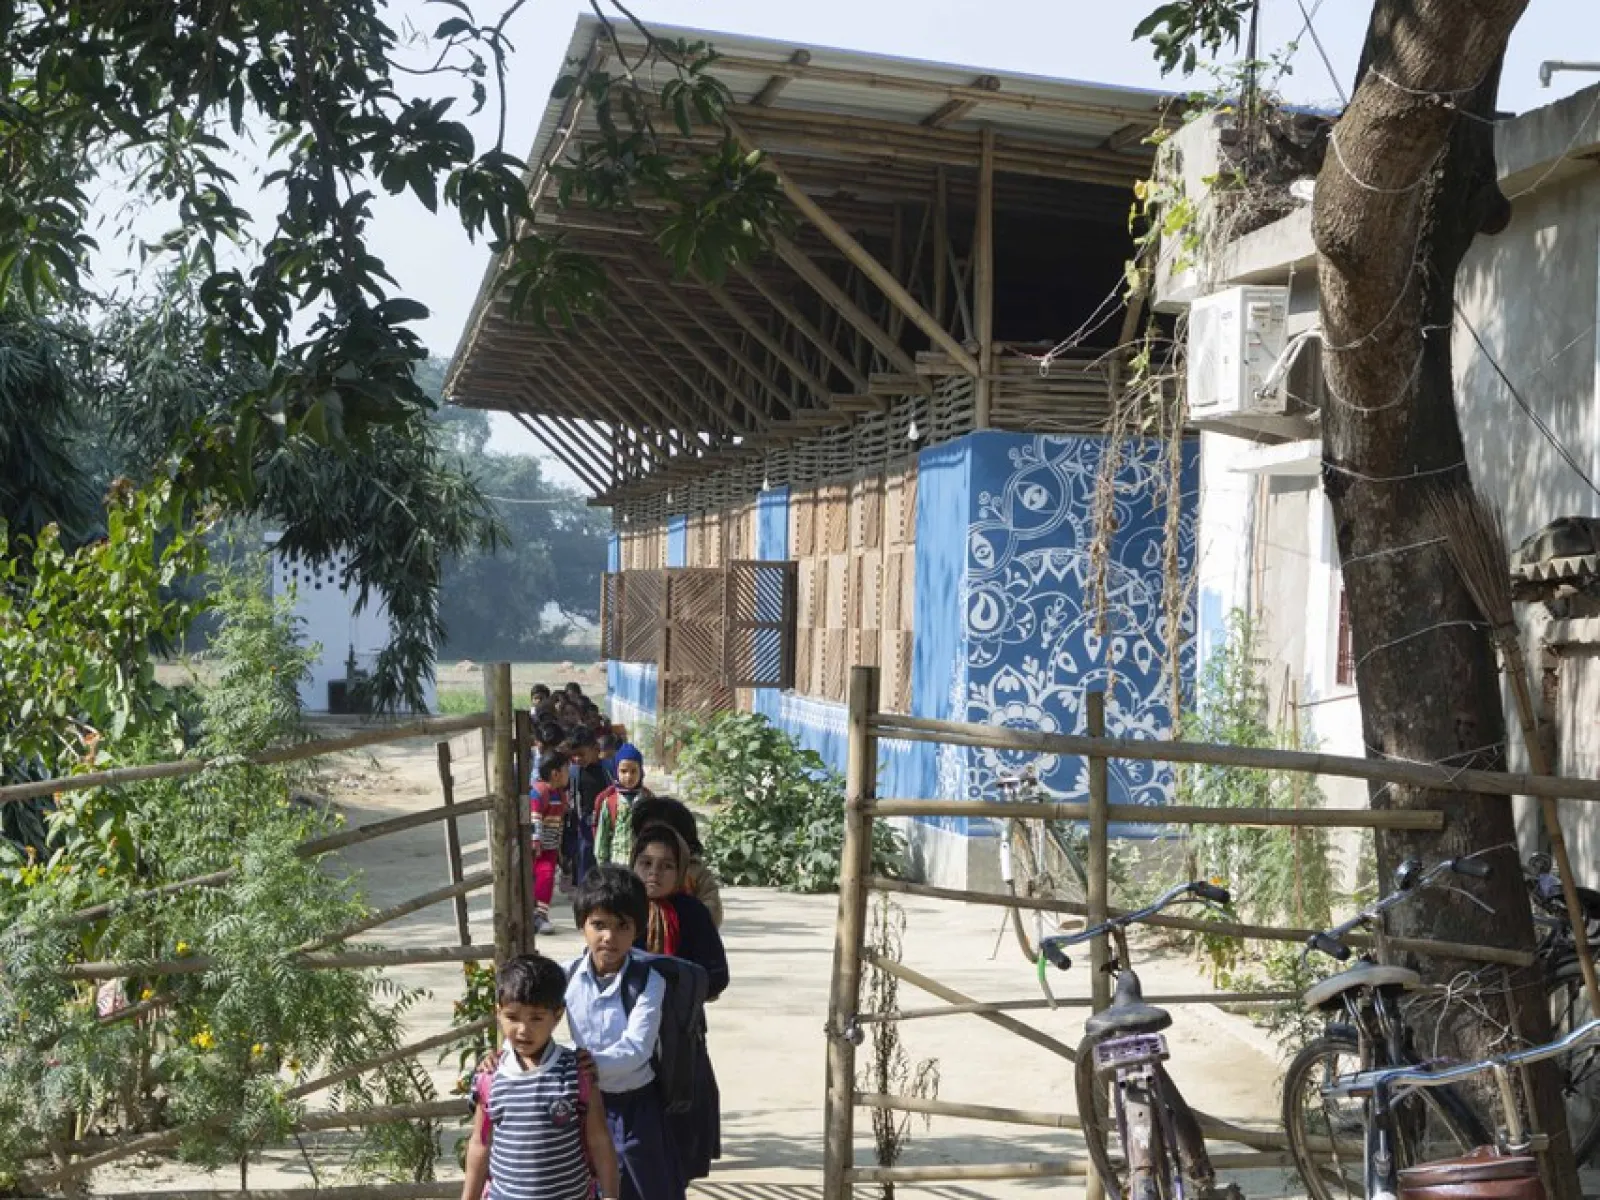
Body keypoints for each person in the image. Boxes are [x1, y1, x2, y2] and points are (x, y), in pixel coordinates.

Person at [564, 868, 685, 1200]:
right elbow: (533, 1020)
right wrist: (504, 1057)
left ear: (637, 930)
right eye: (599, 925)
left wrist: (586, 1064)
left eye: (622, 926)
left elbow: (637, 1048)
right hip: (586, 1105)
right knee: (589, 1185)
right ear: (582, 925)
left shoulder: (649, 982)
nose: (609, 937)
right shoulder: (566, 977)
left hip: (636, 1109)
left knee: (647, 1188)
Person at [461, 954, 620, 1200]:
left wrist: (610, 1196)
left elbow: (599, 1140)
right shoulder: (490, 1077)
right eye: (512, 1017)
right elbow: (480, 1144)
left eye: (536, 1018)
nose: (523, 1030)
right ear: (498, 1013)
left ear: (557, 1015)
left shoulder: (577, 1072)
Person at [630, 824, 727, 1182]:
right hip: (625, 1037)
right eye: (646, 863)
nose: (654, 873)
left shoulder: (692, 913)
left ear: (681, 870)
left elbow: (717, 975)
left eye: (666, 865)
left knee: (679, 1138)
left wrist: (672, 983)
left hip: (680, 1040)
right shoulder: (620, 908)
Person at [628, 797, 723, 928]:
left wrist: (678, 918)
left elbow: (712, 913)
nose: (654, 872)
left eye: (667, 866)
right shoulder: (628, 876)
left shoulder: (696, 874)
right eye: (649, 833)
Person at [530, 752, 571, 935]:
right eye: (566, 770)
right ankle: (537, 915)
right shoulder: (539, 793)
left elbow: (559, 822)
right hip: (538, 848)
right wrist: (535, 841)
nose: (568, 773)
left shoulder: (560, 795)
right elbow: (535, 818)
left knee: (547, 879)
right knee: (543, 877)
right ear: (555, 774)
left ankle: (539, 914)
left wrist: (559, 847)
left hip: (551, 846)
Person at [594, 745, 652, 866]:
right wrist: (602, 865)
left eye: (633, 771)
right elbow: (602, 837)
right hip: (617, 864)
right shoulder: (610, 802)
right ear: (616, 771)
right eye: (623, 771)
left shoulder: (648, 801)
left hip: (641, 864)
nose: (628, 776)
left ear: (641, 771)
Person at [565, 729, 608, 885]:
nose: (577, 759)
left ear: (595, 749)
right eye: (574, 755)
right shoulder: (574, 772)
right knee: (585, 858)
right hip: (585, 823)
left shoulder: (607, 770)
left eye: (581, 754)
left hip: (606, 820)